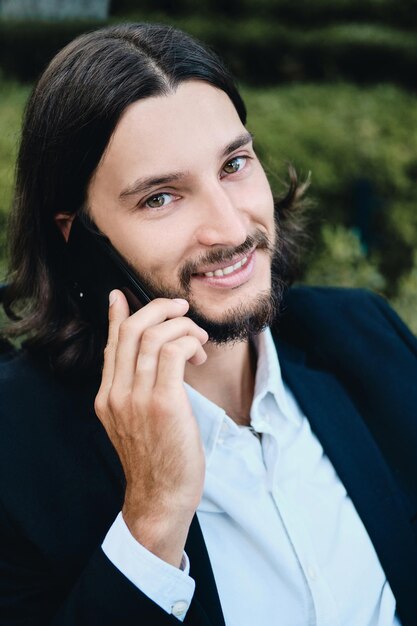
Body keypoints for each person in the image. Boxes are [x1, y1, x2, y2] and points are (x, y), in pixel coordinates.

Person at [1, 23, 417, 626]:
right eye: (160, 198)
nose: (229, 229)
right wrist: (153, 518)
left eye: (234, 164)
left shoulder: (364, 333)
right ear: (78, 239)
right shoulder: (17, 448)